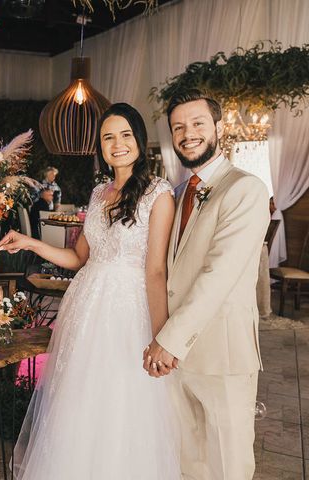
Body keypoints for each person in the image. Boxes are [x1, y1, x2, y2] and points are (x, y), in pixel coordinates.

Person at [0, 103, 179, 478]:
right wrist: (30, 244)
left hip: (129, 313)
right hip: (85, 308)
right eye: (108, 137)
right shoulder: (98, 193)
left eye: (126, 134)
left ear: (140, 140)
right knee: (78, 405)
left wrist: (162, 336)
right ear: (100, 146)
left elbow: (156, 269)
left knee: (121, 405)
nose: (118, 144)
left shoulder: (159, 194)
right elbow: (78, 257)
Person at [143, 90, 270, 479]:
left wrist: (167, 339)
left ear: (218, 127)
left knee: (229, 465)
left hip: (222, 354)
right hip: (178, 359)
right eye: (178, 127)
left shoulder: (246, 189)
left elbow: (218, 276)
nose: (188, 134)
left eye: (198, 123)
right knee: (189, 463)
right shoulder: (178, 194)